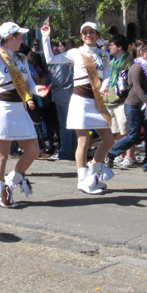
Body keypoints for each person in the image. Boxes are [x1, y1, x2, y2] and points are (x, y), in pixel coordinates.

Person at [0, 22, 49, 207]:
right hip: (2, 108)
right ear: (11, 37)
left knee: (33, 151)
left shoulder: (21, 58)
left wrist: (36, 89)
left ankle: (10, 182)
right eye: (19, 36)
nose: (22, 40)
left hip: (20, 108)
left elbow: (27, 83)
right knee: (1, 154)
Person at [41, 22, 114, 193]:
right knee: (83, 141)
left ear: (97, 34)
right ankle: (83, 179)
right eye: (85, 33)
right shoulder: (76, 52)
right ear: (81, 36)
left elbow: (108, 75)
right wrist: (46, 38)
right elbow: (51, 59)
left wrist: (104, 85)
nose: (88, 35)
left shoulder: (104, 54)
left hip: (96, 101)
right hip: (80, 101)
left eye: (91, 32)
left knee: (109, 140)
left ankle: (94, 172)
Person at [106, 42, 147, 172]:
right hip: (133, 105)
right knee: (134, 135)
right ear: (142, 52)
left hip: (144, 107)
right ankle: (111, 153)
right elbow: (137, 88)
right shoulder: (137, 66)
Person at [104, 34, 136, 168]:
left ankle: (130, 157)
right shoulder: (112, 62)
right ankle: (119, 155)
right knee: (116, 130)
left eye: (111, 45)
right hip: (110, 100)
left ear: (119, 47)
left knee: (125, 130)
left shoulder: (128, 61)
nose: (109, 47)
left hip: (121, 100)